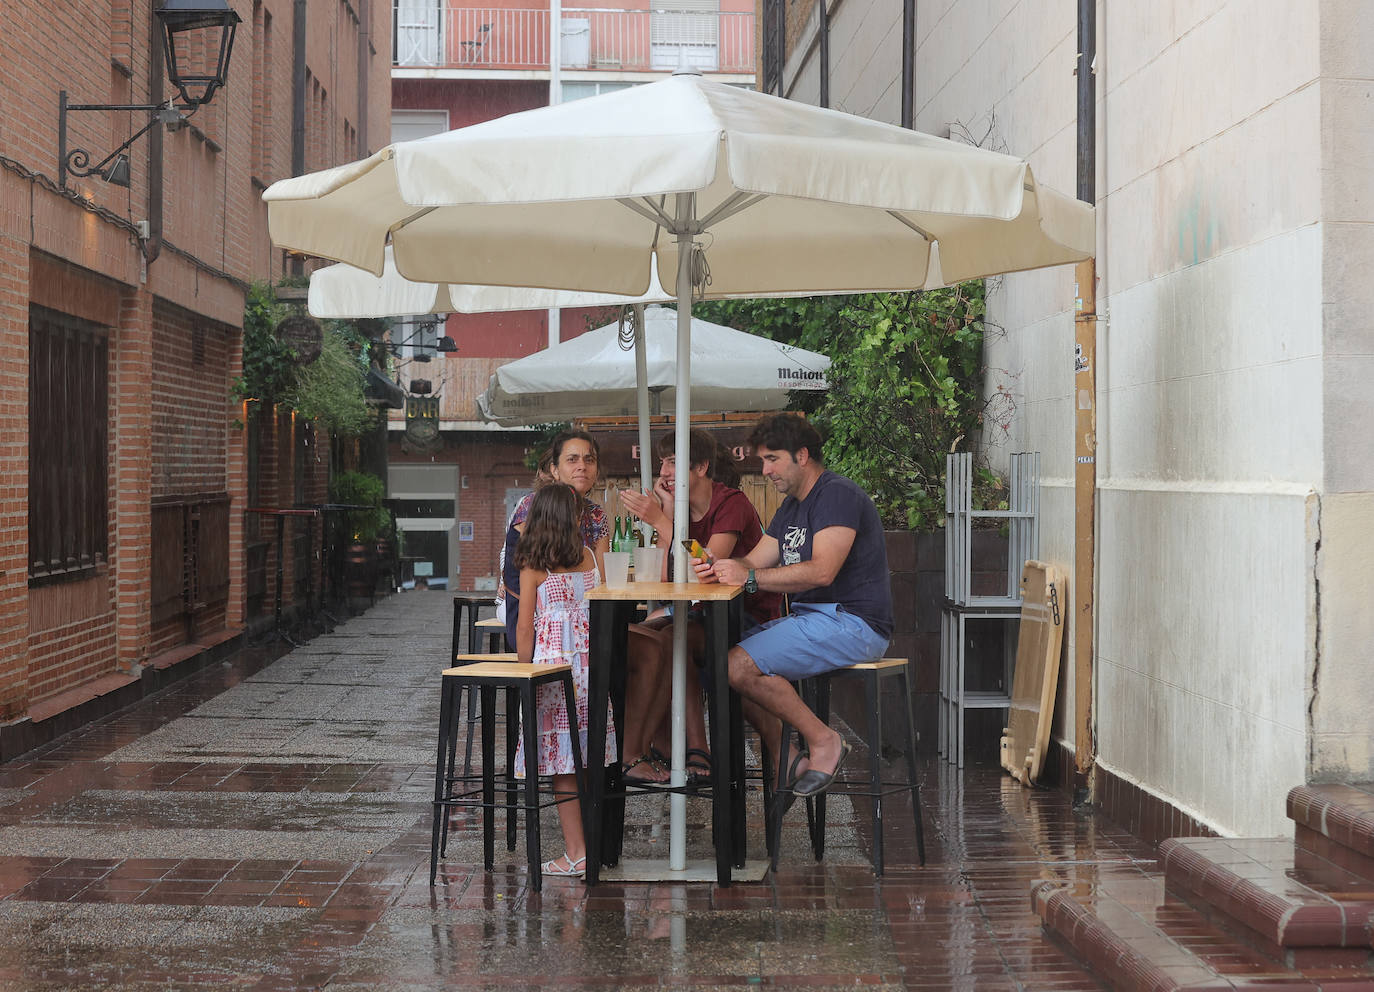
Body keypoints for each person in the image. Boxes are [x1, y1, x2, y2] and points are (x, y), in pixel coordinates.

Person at [697, 414, 892, 799]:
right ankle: (787, 758)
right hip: (813, 620)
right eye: (763, 461)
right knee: (710, 653)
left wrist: (748, 578)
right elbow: (754, 561)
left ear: (801, 455)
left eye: (772, 459)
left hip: (853, 623)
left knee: (736, 664)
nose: (765, 470)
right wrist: (721, 565)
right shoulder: (791, 506)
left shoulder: (837, 495)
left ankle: (824, 741)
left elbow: (822, 571)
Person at [617, 429, 782, 784]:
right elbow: (666, 583)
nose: (663, 472)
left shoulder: (731, 503)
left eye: (673, 463)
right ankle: (654, 746)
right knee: (644, 638)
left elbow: (706, 569)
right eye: (662, 463)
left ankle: (697, 748)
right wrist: (665, 520)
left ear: (702, 468)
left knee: (675, 637)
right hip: (702, 615)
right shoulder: (679, 513)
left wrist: (663, 522)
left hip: (749, 618)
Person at [512, 483, 617, 877]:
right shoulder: (590, 557)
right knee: (587, 760)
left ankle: (577, 853)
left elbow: (525, 628)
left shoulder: (534, 565)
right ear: (572, 519)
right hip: (591, 670)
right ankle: (593, 846)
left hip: (555, 675)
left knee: (563, 767)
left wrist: (525, 671)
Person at [503, 430, 610, 651]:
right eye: (572, 459)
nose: (582, 466)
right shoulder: (534, 506)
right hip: (536, 621)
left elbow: (603, 580)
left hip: (584, 617)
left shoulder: (596, 514)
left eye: (589, 460)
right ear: (554, 469)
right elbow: (535, 571)